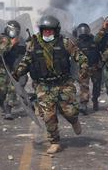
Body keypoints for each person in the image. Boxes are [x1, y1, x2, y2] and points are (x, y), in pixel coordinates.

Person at [13, 15, 88, 154]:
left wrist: (83, 68)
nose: (47, 34)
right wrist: (17, 73)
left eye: (50, 31)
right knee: (48, 116)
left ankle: (74, 121)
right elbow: (26, 61)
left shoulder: (65, 43)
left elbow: (81, 57)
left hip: (63, 83)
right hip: (43, 86)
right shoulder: (33, 44)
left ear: (56, 31)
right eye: (45, 31)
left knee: (70, 112)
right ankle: (55, 142)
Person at [0, 20, 27, 120]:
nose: (14, 32)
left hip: (14, 69)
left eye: (16, 30)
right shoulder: (3, 38)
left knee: (13, 89)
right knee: (2, 90)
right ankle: (0, 102)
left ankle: (8, 109)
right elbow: (1, 51)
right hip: (3, 69)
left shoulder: (19, 40)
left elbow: (23, 53)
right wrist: (12, 44)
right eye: (13, 30)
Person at [76, 23, 102, 114]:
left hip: (95, 67)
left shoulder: (94, 41)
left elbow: (101, 52)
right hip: (83, 68)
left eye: (85, 31)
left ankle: (95, 99)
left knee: (97, 86)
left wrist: (100, 63)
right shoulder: (76, 43)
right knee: (84, 86)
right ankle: (84, 104)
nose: (83, 33)